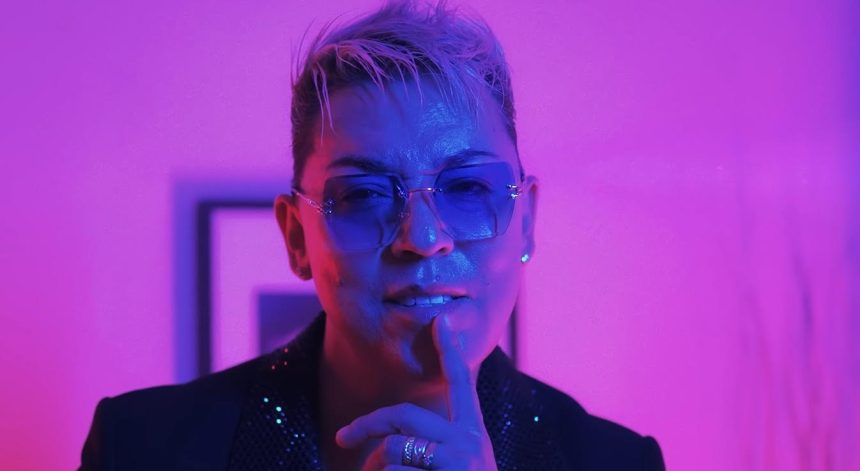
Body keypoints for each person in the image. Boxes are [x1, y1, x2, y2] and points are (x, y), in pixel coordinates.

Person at [80, 1, 665, 469]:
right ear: (297, 238)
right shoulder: (142, 448)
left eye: (467, 188)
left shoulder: (613, 462)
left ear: (527, 220)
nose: (424, 238)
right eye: (363, 195)